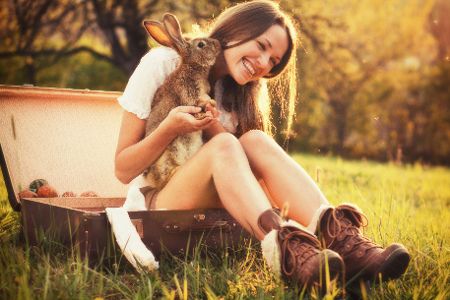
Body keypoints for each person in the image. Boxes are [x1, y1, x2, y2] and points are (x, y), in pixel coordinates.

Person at [114, 0, 410, 290]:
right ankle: (291, 253)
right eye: (262, 46)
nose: (263, 64)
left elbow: (245, 171)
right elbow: (123, 169)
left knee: (254, 139)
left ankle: (344, 243)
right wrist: (169, 128)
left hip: (225, 205)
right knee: (226, 146)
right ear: (234, 30)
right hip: (163, 200)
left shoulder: (238, 90)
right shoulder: (164, 63)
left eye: (273, 62)